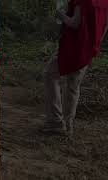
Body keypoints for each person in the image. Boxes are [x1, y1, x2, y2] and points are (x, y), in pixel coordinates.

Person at [43, 0, 108, 135]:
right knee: (73, 85)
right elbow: (105, 25)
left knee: (50, 74)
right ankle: (68, 126)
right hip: (89, 48)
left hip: (73, 47)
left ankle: (55, 122)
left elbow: (74, 23)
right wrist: (95, 44)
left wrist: (60, 15)